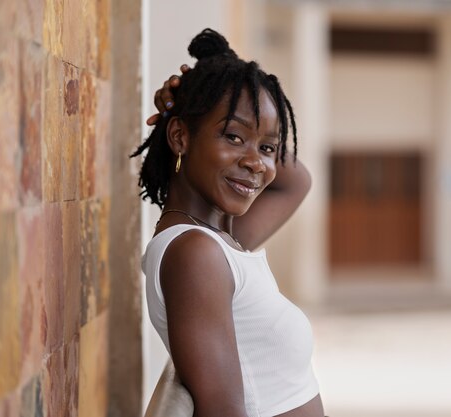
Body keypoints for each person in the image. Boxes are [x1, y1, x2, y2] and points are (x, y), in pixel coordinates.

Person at [131, 29, 325, 417]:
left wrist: (231, 88)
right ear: (180, 136)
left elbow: (294, 181)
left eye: (267, 147)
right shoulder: (194, 254)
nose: (257, 162)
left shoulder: (220, 242)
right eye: (233, 137)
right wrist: (204, 100)